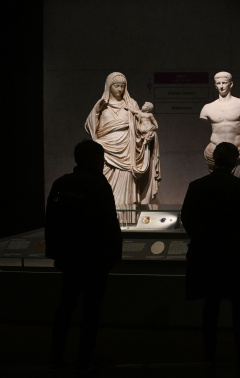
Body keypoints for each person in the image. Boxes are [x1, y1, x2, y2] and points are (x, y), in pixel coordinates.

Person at [45, 140, 122, 373]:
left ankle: (56, 353)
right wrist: (112, 254)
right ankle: (85, 355)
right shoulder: (98, 184)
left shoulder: (62, 183)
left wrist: (55, 252)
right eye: (101, 158)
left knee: (66, 305)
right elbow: (108, 223)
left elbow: (52, 221)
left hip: (70, 256)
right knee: (91, 309)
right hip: (93, 258)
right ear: (95, 160)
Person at [181, 142, 240, 367]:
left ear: (214, 159)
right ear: (235, 161)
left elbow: (188, 218)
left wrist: (202, 237)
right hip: (235, 255)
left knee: (211, 305)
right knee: (239, 306)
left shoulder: (197, 186)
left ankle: (209, 352)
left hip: (206, 254)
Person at [85, 72, 161, 207]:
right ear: (109, 86)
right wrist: (97, 110)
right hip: (106, 150)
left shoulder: (131, 104)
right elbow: (89, 126)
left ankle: (127, 218)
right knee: (104, 183)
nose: (120, 89)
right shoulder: (102, 106)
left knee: (126, 184)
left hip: (127, 150)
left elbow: (141, 126)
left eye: (122, 86)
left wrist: (148, 135)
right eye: (116, 86)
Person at [200, 71, 240, 179]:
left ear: (231, 84)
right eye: (218, 83)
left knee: (238, 190)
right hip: (215, 154)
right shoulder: (207, 108)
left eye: (224, 83)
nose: (221, 86)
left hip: (238, 152)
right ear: (215, 86)